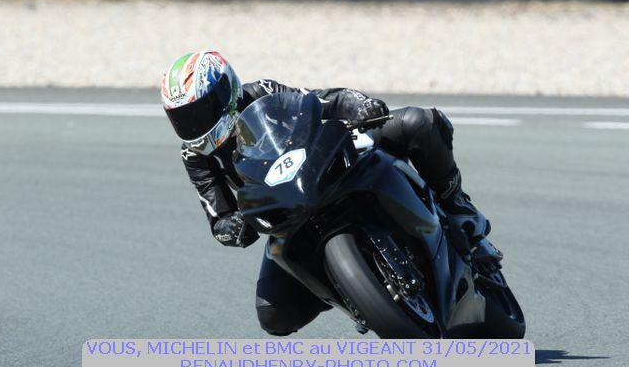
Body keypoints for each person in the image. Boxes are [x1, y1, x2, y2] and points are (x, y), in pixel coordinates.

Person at [161, 50, 490, 336]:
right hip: (285, 211)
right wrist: (230, 228)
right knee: (273, 315)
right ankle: (352, 290)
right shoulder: (196, 155)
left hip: (325, 165)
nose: (193, 126)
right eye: (182, 119)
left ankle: (458, 206)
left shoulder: (261, 93)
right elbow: (218, 214)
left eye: (199, 113)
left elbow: (322, 100)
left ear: (226, 92)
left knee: (418, 122)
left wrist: (359, 104)